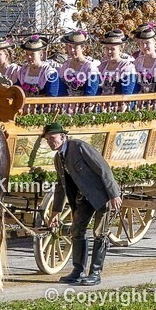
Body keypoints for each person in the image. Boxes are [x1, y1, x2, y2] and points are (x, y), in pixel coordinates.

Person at [45, 123, 122, 287]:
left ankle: (95, 273)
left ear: (62, 137)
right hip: (84, 198)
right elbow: (61, 186)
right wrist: (55, 212)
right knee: (77, 230)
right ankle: (78, 271)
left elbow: (103, 169)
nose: (50, 142)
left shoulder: (79, 147)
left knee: (100, 233)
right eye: (47, 139)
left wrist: (114, 194)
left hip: (102, 196)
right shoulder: (58, 159)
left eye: (52, 138)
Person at [57, 29, 100, 96]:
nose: (72, 50)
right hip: (67, 101)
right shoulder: (66, 65)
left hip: (84, 102)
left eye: (75, 47)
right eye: (70, 47)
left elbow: (91, 93)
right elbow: (60, 90)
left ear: (83, 48)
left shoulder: (90, 67)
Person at [98, 29, 137, 96]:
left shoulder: (127, 66)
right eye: (107, 48)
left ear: (120, 48)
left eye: (112, 49)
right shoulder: (102, 66)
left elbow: (127, 94)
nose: (109, 52)